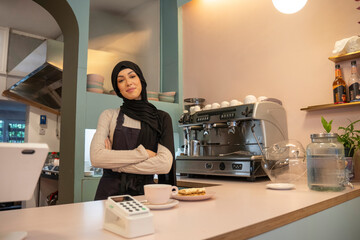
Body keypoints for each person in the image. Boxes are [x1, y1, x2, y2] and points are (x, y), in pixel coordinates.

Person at [90, 60, 176, 200]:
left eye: (132, 76)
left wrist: (115, 165)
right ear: (117, 88)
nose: (128, 83)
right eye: (121, 80)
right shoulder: (109, 115)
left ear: (140, 79)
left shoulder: (161, 119)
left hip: (145, 196)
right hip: (109, 196)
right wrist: (143, 154)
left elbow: (164, 165)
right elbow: (96, 157)